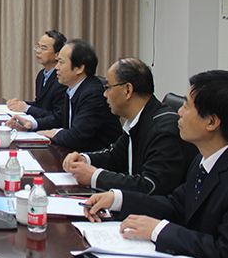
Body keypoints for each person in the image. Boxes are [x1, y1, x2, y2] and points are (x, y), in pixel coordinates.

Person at [84, 70, 228, 258]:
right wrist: (118, 199)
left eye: (187, 106)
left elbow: (227, 257)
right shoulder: (205, 159)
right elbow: (176, 205)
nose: (179, 111)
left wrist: (158, 230)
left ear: (211, 122)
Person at [62, 58, 197, 195]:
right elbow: (116, 157)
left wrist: (95, 177)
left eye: (108, 88)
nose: (105, 94)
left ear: (127, 90)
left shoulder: (163, 131)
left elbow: (150, 186)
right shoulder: (139, 120)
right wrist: (85, 159)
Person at [11, 39, 121, 152]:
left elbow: (77, 137)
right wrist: (32, 124)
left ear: (79, 68)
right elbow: (59, 118)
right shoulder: (73, 89)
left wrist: (55, 133)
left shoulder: (93, 94)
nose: (57, 67)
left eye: (61, 62)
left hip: (96, 158)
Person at [6, 30, 67, 124]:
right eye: (38, 47)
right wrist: (21, 104)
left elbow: (57, 117)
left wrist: (27, 108)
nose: (38, 51)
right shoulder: (41, 74)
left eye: (44, 48)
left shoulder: (62, 79)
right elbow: (41, 104)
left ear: (57, 55)